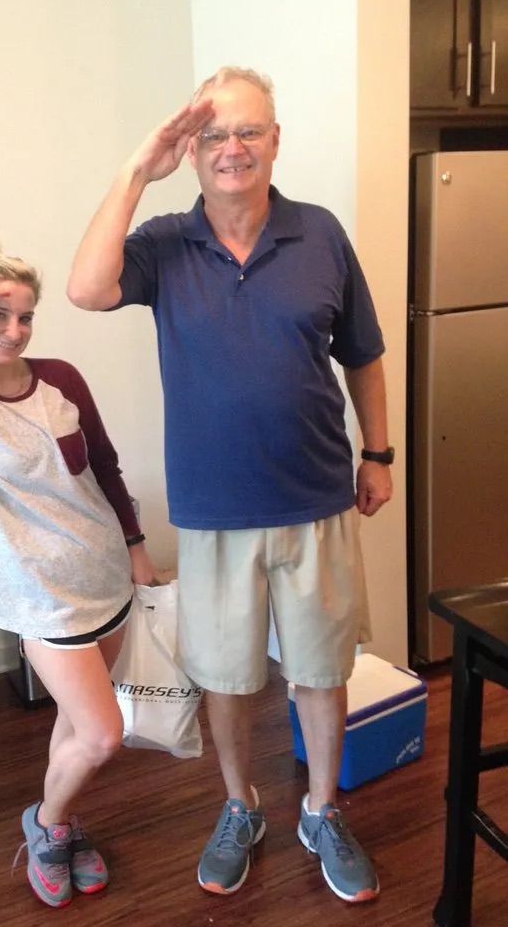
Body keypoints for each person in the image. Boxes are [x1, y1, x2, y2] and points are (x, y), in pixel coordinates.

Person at [67, 67, 393, 904]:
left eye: (248, 131)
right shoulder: (166, 243)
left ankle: (321, 808)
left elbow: (362, 352)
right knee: (227, 676)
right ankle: (239, 807)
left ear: (276, 140)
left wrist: (379, 454)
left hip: (317, 498)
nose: (232, 149)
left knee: (320, 670)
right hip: (213, 512)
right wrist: (140, 168)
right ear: (194, 150)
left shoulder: (320, 234)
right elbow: (86, 288)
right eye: (214, 135)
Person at [0, 229, 154, 909]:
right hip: (40, 598)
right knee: (104, 735)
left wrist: (135, 544)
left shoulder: (62, 379)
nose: (14, 331)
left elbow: (102, 461)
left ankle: (61, 822)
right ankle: (45, 825)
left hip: (104, 576)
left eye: (24, 316)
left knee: (76, 727)